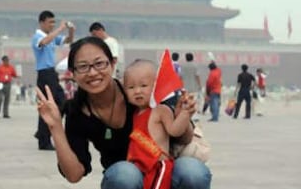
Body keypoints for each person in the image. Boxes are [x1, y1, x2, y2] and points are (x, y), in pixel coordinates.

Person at [35, 36, 211, 189]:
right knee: (124, 174)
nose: (93, 72)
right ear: (72, 73)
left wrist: (184, 115)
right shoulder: (78, 112)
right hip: (125, 179)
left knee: (192, 172)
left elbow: (184, 138)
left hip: (164, 170)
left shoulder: (142, 90)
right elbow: (74, 175)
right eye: (83, 67)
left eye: (99, 63)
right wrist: (55, 126)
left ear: (112, 63)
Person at [124, 59, 193, 189]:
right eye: (131, 87)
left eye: (143, 86)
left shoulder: (160, 110)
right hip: (139, 167)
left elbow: (174, 130)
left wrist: (185, 114)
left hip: (158, 166)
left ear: (156, 86)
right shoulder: (134, 113)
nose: (137, 91)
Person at [31, 10, 75, 150]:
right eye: (50, 22)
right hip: (44, 74)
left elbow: (67, 41)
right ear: (42, 22)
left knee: (62, 103)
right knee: (48, 106)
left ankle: (42, 132)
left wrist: (71, 31)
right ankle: (43, 140)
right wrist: (60, 28)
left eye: (54, 23)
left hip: (52, 73)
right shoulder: (38, 36)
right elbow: (44, 42)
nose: (52, 25)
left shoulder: (50, 36)